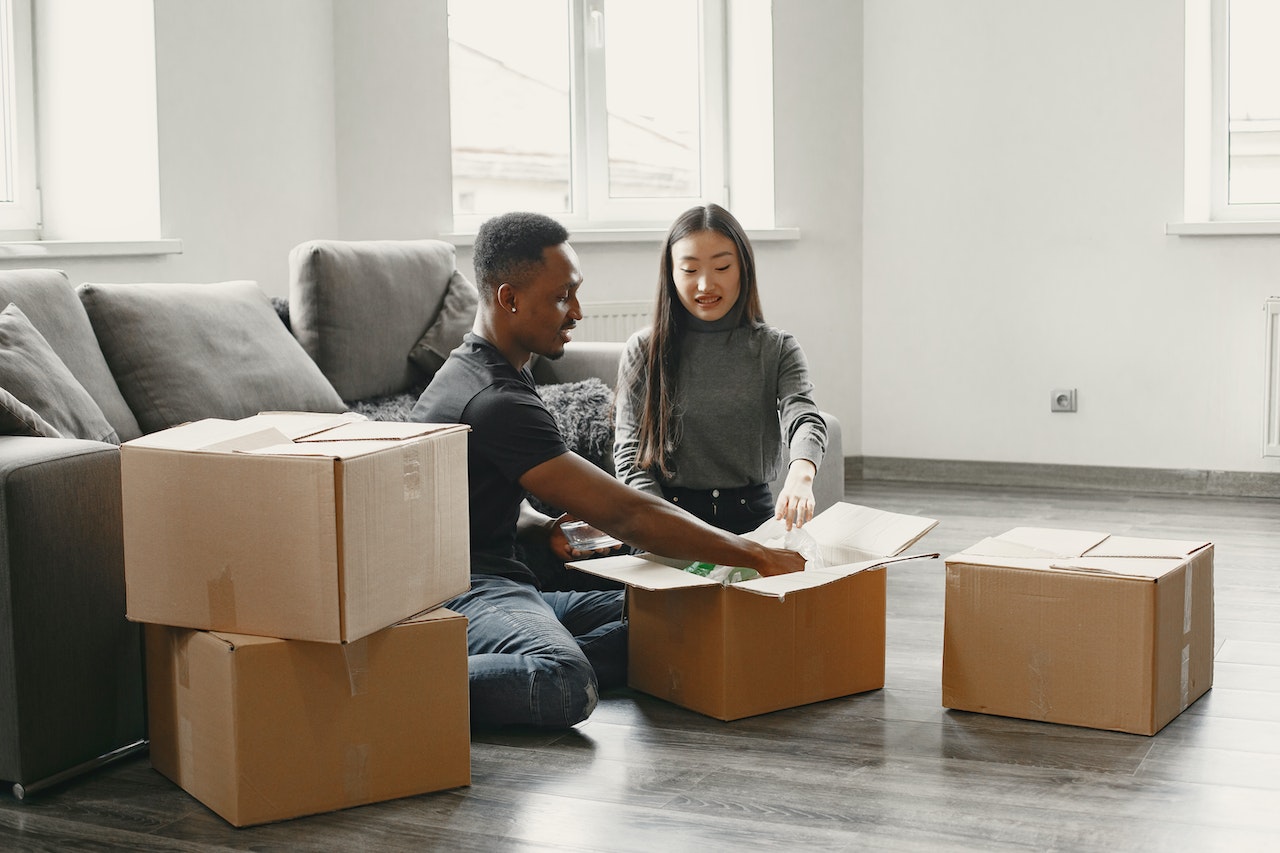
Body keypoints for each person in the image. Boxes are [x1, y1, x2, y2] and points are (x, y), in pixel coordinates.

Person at [410, 211, 805, 730]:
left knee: (673, 620)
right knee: (563, 680)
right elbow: (628, 513)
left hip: (503, 580)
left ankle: (523, 653)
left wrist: (540, 527)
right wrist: (753, 554)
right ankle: (397, 680)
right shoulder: (495, 398)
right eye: (562, 297)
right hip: (468, 589)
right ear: (509, 299)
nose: (576, 311)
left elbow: (478, 489)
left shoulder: (485, 367)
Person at [614, 204, 828, 536]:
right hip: (666, 520)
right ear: (670, 274)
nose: (705, 285)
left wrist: (801, 475)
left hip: (753, 522)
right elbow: (630, 457)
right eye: (689, 270)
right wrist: (666, 530)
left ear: (743, 268)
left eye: (722, 267)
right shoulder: (643, 349)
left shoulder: (777, 348)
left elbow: (803, 417)